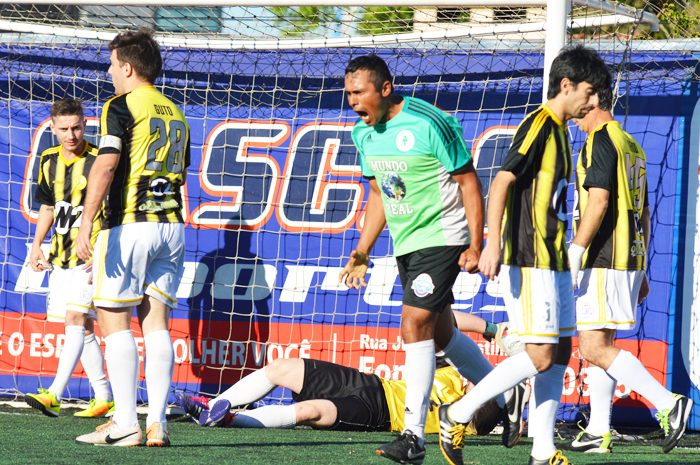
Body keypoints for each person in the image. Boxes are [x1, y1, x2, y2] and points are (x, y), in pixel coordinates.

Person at [338, 54, 528, 465]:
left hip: (443, 239)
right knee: (440, 333)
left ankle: (412, 437)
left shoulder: (429, 121)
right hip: (407, 243)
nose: (353, 101)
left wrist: (475, 244)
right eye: (348, 93)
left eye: (360, 92)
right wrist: (362, 252)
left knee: (413, 324)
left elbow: (469, 183)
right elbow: (378, 196)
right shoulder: (363, 134)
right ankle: (505, 390)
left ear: (384, 89)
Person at [438, 45, 611, 465]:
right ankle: (456, 414)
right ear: (565, 85)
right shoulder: (538, 125)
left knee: (562, 351)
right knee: (537, 355)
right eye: (588, 92)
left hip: (553, 261)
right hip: (530, 260)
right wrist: (492, 243)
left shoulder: (564, 132)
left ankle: (542, 451)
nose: (593, 103)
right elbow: (500, 182)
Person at [74, 28, 190, 447]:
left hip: (129, 223)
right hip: (172, 226)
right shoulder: (176, 112)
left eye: (110, 63)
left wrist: (87, 222)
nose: (108, 71)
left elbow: (106, 164)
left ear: (126, 66)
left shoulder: (120, 105)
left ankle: (125, 421)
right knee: (157, 322)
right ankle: (157, 422)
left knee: (113, 319)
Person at [564, 87, 693, 454]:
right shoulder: (631, 144)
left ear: (590, 101)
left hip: (604, 258)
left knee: (591, 347)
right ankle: (598, 430)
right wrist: (643, 266)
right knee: (602, 344)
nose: (571, 112)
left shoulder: (600, 140)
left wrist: (576, 251)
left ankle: (669, 403)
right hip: (627, 258)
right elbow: (645, 212)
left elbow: (600, 200)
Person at [174, 313, 526, 436]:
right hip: (373, 384)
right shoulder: (452, 365)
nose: (476, 381)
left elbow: (498, 414)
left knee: (310, 412)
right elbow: (443, 322)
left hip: (380, 415)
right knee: (283, 367)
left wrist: (515, 396)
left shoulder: (466, 420)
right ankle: (214, 406)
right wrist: (494, 330)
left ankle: (229, 421)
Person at [24, 98, 114, 419]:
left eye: (76, 127)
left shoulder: (100, 161)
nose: (71, 135)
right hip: (60, 257)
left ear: (85, 125)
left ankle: (54, 394)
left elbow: (114, 209)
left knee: (76, 318)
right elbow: (48, 206)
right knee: (83, 327)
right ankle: (104, 396)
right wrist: (37, 245)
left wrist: (104, 248)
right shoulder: (48, 160)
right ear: (53, 128)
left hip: (92, 255)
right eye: (63, 129)